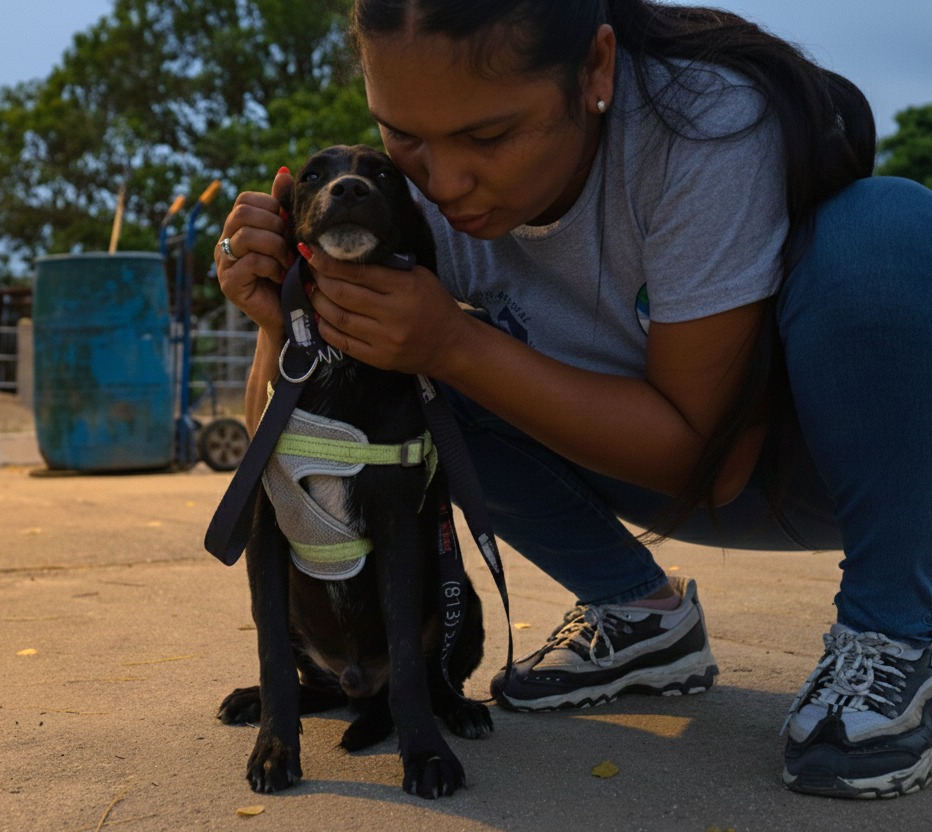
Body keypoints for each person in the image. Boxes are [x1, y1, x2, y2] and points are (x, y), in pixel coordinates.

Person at [213, 0, 932, 800]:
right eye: (402, 136)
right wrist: (281, 319)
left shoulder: (705, 125)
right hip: (644, 466)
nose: (443, 183)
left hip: (847, 467)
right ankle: (640, 616)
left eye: (489, 136)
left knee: (882, 229)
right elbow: (294, 461)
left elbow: (714, 464)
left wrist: (453, 343)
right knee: (411, 370)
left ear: (596, 68)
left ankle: (895, 627)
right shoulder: (410, 199)